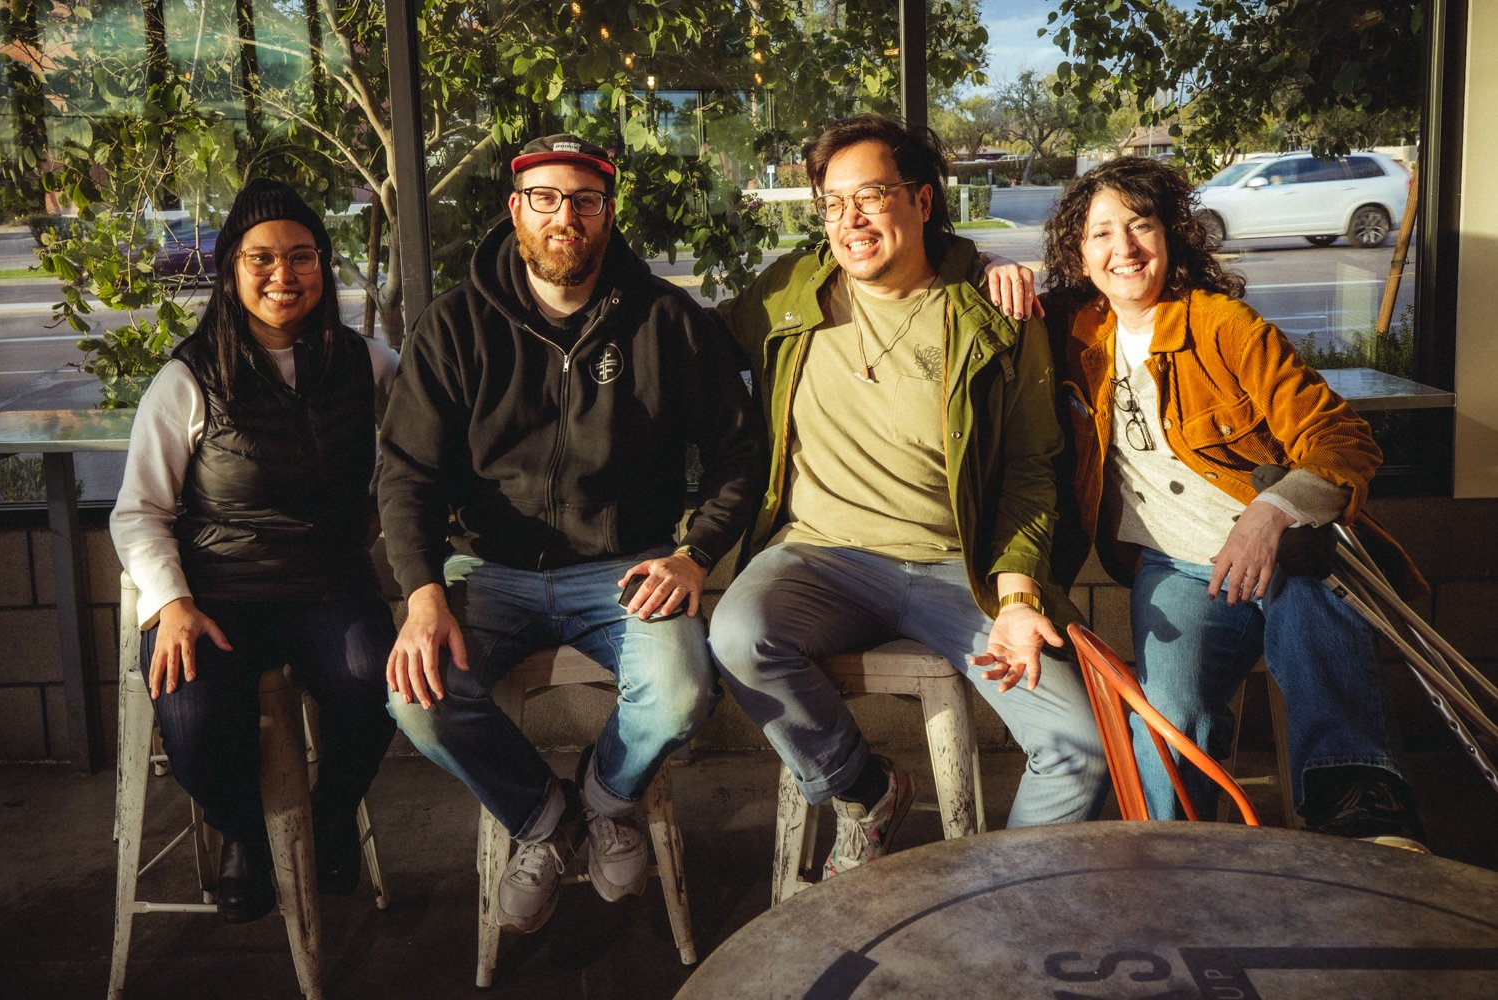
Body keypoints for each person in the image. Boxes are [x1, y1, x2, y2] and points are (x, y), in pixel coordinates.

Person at [379, 134, 765, 934]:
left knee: (682, 693)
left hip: (626, 566)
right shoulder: (454, 326)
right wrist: (422, 593)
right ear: (516, 211)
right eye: (546, 199)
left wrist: (696, 554)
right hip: (485, 568)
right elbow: (406, 473)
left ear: (607, 214)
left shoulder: (666, 321)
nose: (566, 217)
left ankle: (606, 798)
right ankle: (545, 821)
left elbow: (739, 451)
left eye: (584, 201)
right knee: (415, 699)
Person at [708, 113, 1109, 881]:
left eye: (871, 196)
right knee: (737, 636)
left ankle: (998, 906)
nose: (848, 221)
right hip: (816, 557)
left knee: (1079, 749)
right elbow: (677, 346)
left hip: (958, 572)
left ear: (922, 202)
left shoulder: (993, 310)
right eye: (830, 204)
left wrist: (1018, 593)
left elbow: (1033, 464)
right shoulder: (789, 293)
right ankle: (867, 791)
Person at [1006, 154, 1424, 844]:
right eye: (1101, 233)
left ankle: (1361, 815)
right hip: (1176, 566)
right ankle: (1171, 858)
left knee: (1312, 594)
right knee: (1167, 715)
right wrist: (997, 275)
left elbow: (1339, 433)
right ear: (1077, 255)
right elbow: (978, 307)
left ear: (1170, 238)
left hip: (1280, 547)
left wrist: (1272, 510)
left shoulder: (1224, 327)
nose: (1124, 249)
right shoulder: (1070, 334)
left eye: (1140, 227)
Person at [111, 178, 400, 922]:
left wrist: (377, 508)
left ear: (322, 264)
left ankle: (330, 816)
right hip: (217, 592)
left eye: (301, 256)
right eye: (261, 258)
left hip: (329, 583)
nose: (284, 275)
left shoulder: (366, 364)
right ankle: (243, 830)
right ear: (231, 270)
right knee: (193, 713)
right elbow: (137, 512)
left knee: (384, 684)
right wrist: (170, 603)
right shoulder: (187, 377)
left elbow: (418, 455)